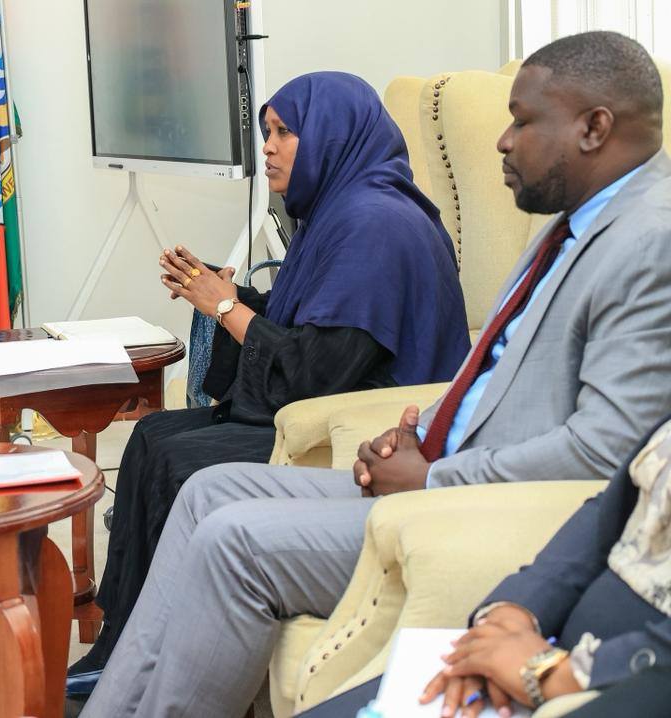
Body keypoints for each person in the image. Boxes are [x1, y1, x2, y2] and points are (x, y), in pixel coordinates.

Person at [80, 31, 671, 717]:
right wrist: (420, 436)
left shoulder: (649, 241)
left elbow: (607, 453)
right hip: (436, 469)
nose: (504, 141)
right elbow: (504, 378)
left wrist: (435, 474)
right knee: (209, 491)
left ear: (594, 128)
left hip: (481, 508)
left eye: (524, 119)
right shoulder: (575, 224)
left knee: (232, 538)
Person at [69, 71, 472, 693]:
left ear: (334, 136)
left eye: (286, 132)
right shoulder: (340, 212)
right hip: (316, 402)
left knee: (181, 457)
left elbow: (318, 370)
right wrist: (229, 295)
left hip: (355, 435)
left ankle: (154, 659)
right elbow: (305, 326)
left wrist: (224, 308)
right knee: (153, 435)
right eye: (267, 132)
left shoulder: (375, 225)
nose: (270, 146)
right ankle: (123, 643)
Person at [301, 413, 671, 717]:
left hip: (618, 690)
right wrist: (512, 616)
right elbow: (614, 508)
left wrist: (556, 675)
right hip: (537, 653)